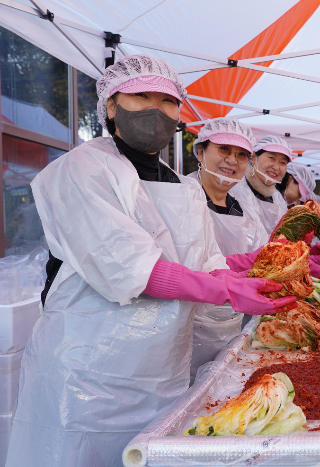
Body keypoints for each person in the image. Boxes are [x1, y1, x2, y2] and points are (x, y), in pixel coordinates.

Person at [7, 54, 296, 467]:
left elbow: (206, 258)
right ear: (111, 106)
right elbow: (129, 266)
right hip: (87, 373)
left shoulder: (183, 187)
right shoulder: (83, 169)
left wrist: (257, 270)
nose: (156, 111)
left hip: (162, 370)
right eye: (141, 96)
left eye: (168, 102)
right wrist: (228, 289)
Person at [186, 116, 269, 381]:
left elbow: (263, 258)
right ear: (200, 152)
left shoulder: (246, 213)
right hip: (184, 327)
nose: (232, 160)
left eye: (242, 155)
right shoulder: (179, 196)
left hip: (232, 324)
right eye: (223, 150)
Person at [234, 135, 290, 235]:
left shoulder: (278, 199)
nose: (276, 167)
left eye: (282, 162)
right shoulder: (236, 189)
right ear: (254, 157)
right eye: (272, 158)